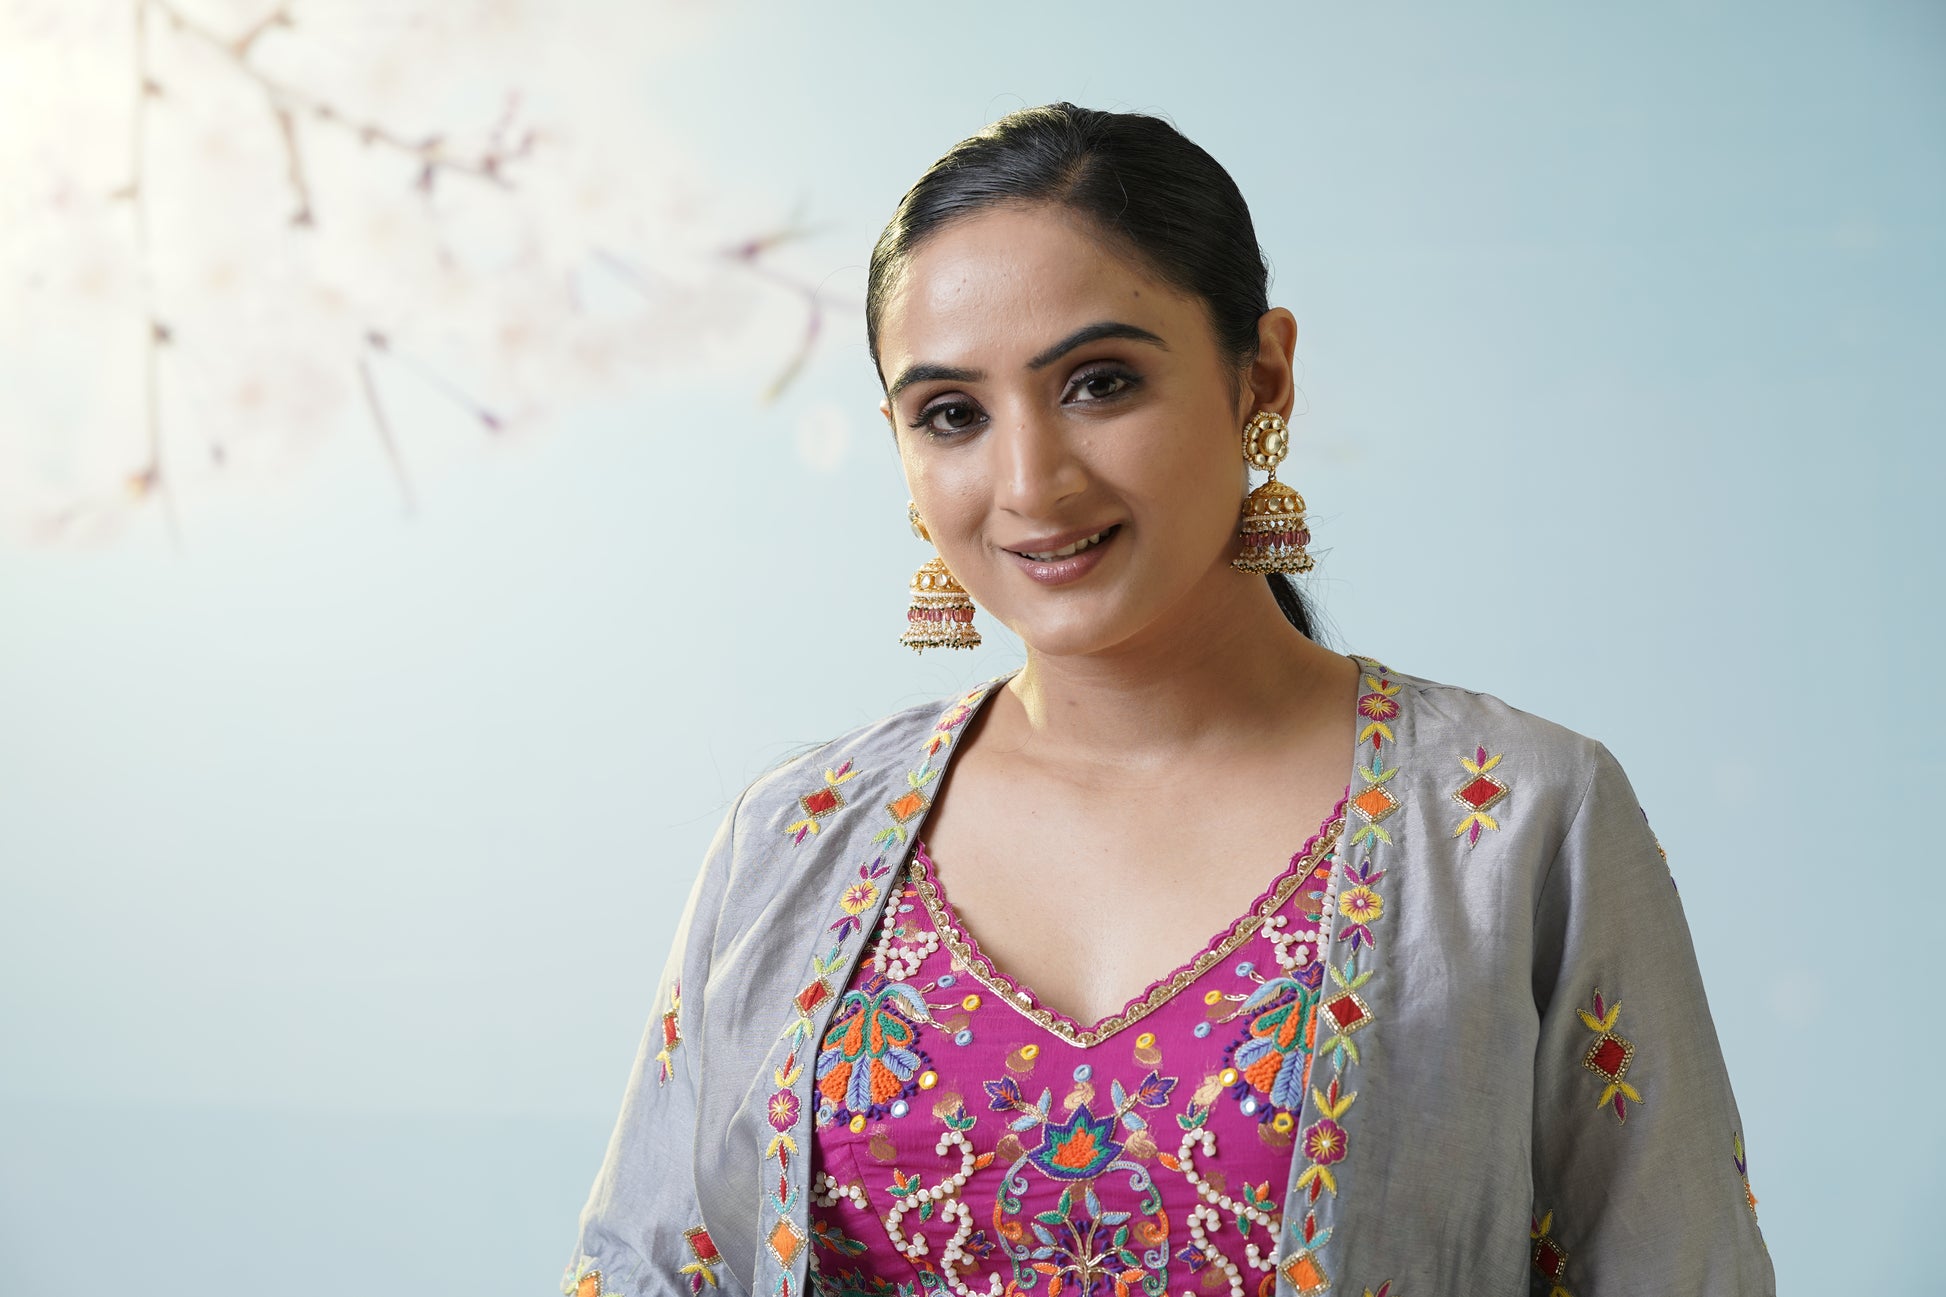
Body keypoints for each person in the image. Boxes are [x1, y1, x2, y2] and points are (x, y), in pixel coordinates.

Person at [561, 103, 1775, 1297]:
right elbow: (647, 1267)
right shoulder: (795, 839)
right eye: (952, 415)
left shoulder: (1507, 820)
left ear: (1262, 377)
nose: (1029, 482)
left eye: (1097, 384)